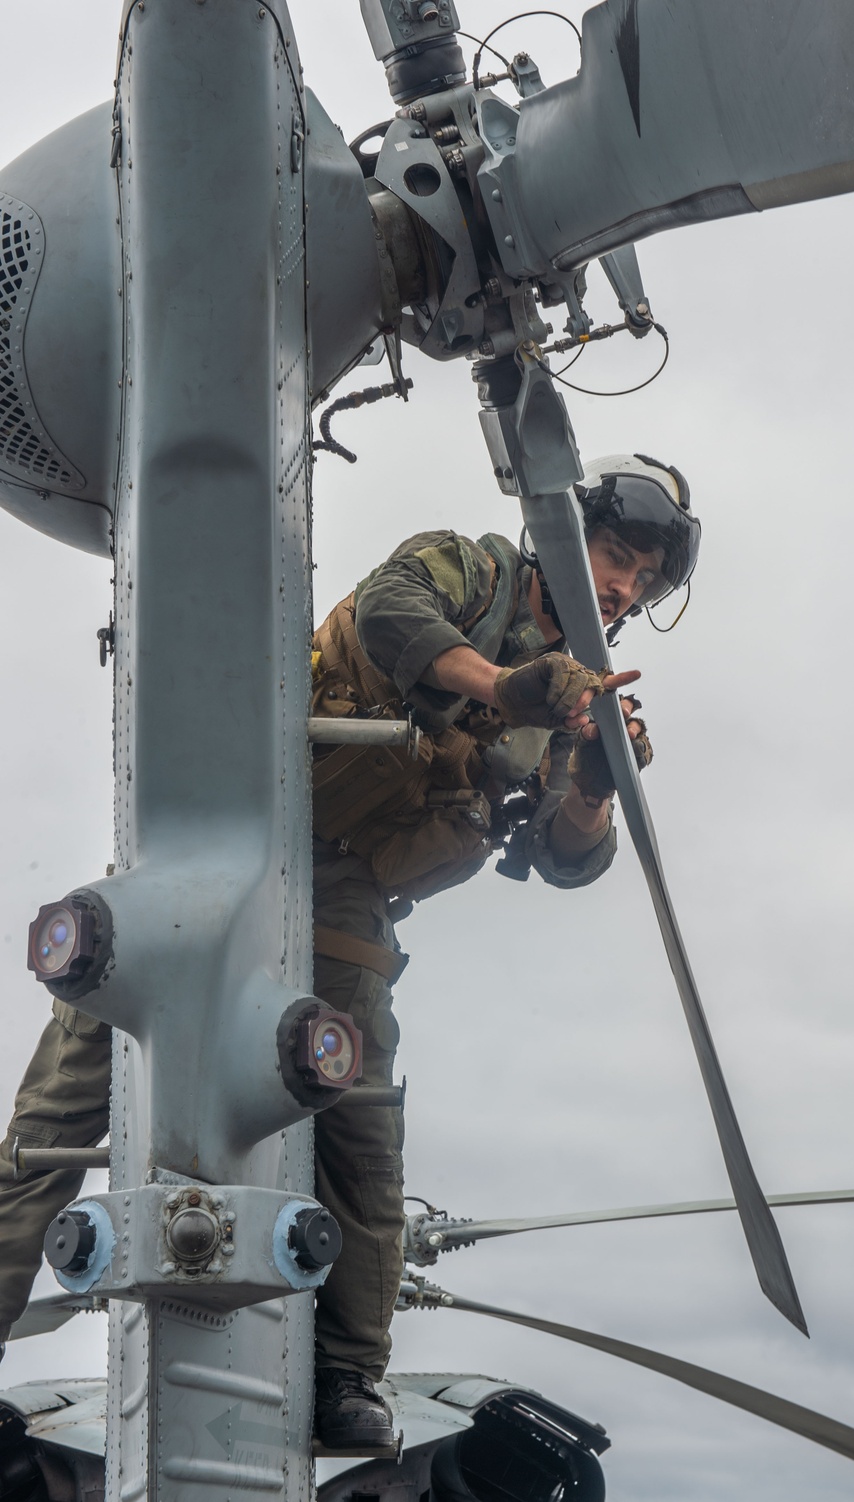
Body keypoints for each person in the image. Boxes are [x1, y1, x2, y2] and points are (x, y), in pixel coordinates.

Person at [0, 454, 700, 1450]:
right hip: (223, 855)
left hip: (344, 914)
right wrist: (509, 685)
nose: (626, 585)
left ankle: (345, 1376)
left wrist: (588, 778)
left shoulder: (576, 704)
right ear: (564, 533)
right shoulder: (471, 572)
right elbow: (389, 615)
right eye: (615, 554)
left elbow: (565, 855)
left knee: (365, 1143)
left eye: (646, 577)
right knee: (53, 1127)